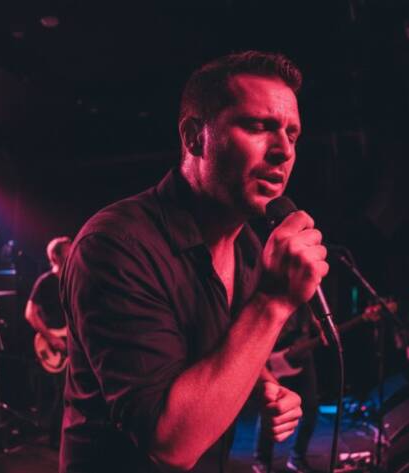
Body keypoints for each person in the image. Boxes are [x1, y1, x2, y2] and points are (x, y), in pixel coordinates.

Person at [60, 51, 327, 472]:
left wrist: (264, 386)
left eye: (292, 134)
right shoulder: (115, 245)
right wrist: (273, 302)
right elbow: (168, 445)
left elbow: (211, 347)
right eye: (259, 127)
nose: (283, 151)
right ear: (194, 137)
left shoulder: (247, 249)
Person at [254, 305, 320, 473]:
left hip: (304, 360)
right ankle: (262, 459)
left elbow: (313, 325)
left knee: (311, 408)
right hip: (275, 359)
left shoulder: (309, 300)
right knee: (272, 407)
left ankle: (298, 457)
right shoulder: (276, 293)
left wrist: (320, 330)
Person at [25, 236, 72, 449]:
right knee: (62, 393)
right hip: (54, 343)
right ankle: (56, 438)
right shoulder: (45, 281)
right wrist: (51, 337)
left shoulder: (72, 281)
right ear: (56, 256)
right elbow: (30, 313)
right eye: (68, 251)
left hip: (71, 343)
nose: (73, 255)